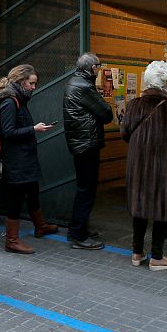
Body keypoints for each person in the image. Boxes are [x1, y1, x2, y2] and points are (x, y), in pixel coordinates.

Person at [121, 61, 167, 271]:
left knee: (140, 206)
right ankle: (157, 256)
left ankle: (137, 253)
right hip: (165, 164)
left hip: (138, 163)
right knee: (162, 206)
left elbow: (124, 133)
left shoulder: (134, 104)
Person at [0, 64, 58, 255]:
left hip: (25, 158)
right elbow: (8, 132)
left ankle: (40, 226)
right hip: (16, 161)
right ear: (20, 81)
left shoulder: (19, 99)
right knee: (15, 199)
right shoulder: (10, 102)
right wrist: (33, 129)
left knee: (33, 191)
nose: (34, 87)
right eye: (31, 83)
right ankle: (12, 240)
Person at [62, 52, 112, 250]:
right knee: (86, 189)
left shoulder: (75, 82)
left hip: (81, 142)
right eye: (98, 66)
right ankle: (78, 235)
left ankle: (77, 227)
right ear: (92, 68)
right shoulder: (84, 86)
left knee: (84, 188)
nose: (99, 69)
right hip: (86, 144)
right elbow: (107, 114)